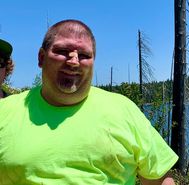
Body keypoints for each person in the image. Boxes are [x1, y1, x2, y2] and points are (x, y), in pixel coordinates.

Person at [0, 19, 178, 185]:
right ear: (41, 57)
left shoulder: (123, 110)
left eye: (84, 55)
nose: (74, 61)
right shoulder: (5, 112)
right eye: (62, 51)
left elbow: (159, 178)